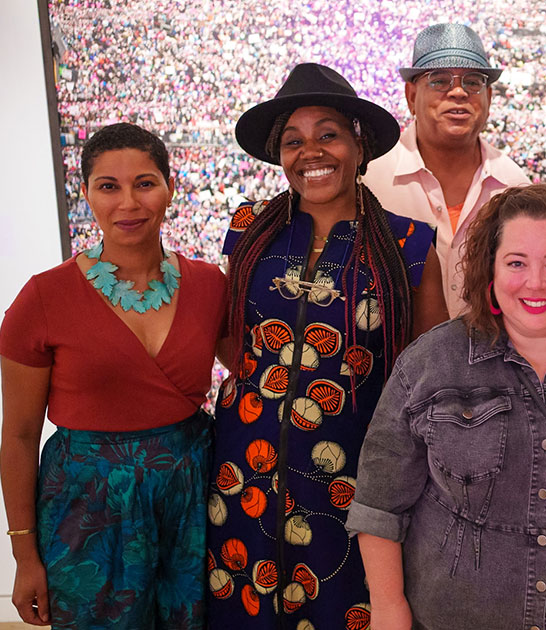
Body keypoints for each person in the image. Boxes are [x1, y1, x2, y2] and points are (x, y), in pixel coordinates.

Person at [347, 184, 546, 630]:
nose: (535, 282)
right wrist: (389, 609)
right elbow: (380, 504)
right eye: (516, 263)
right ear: (490, 271)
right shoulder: (430, 363)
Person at [207, 63, 446, 629]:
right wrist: (270, 388)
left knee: (347, 610)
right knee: (247, 609)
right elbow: (224, 333)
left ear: (358, 145)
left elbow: (430, 371)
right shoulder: (249, 231)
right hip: (244, 474)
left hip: (358, 479)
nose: (310, 152)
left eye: (328, 134)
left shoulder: (408, 244)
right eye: (294, 140)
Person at [0, 122, 226, 628]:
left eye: (145, 183)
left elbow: (257, 372)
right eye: (109, 186)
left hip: (190, 499)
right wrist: (24, 556)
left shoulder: (210, 285)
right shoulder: (42, 298)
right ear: (86, 194)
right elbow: (17, 437)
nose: (129, 202)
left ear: (170, 187)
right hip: (87, 510)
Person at [364, 23, 530, 317]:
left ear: (488, 98)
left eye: (473, 81)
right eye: (439, 80)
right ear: (411, 96)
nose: (458, 92)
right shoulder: (370, 181)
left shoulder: (515, 186)